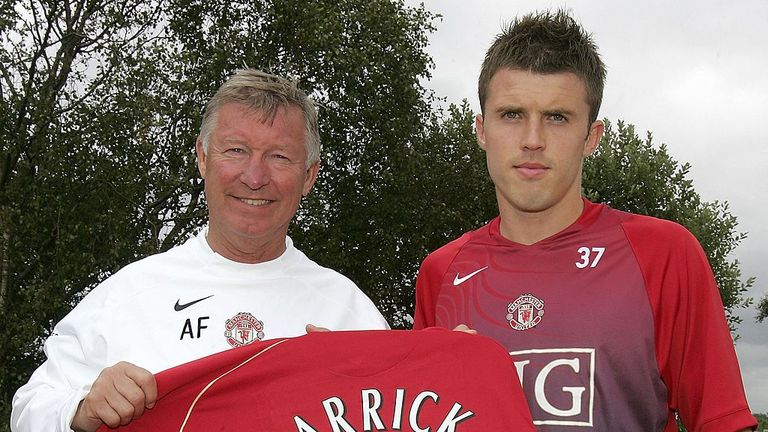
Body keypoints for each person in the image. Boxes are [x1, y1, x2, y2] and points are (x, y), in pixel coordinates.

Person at [412, 10, 757, 432]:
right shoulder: (441, 272)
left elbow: (722, 422)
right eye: (512, 114)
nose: (533, 140)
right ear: (482, 130)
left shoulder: (663, 254)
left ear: (591, 137)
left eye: (557, 117)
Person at [11, 69, 389, 432]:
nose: (255, 177)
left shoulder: (349, 312)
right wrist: (81, 408)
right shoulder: (129, 294)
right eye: (236, 150)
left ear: (308, 176)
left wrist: (355, 386)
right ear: (203, 157)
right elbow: (29, 410)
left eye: (279, 157)